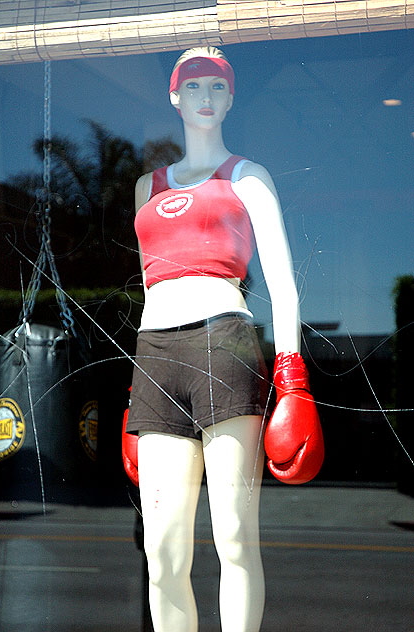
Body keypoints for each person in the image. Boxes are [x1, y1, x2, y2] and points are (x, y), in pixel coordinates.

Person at [122, 46, 323, 632]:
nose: (205, 98)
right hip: (157, 357)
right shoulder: (146, 188)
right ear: (174, 95)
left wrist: (293, 378)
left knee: (234, 538)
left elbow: (283, 285)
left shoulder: (247, 176)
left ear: (231, 97)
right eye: (194, 87)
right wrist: (136, 393)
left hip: (226, 347)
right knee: (163, 555)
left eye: (217, 87)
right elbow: (147, 287)